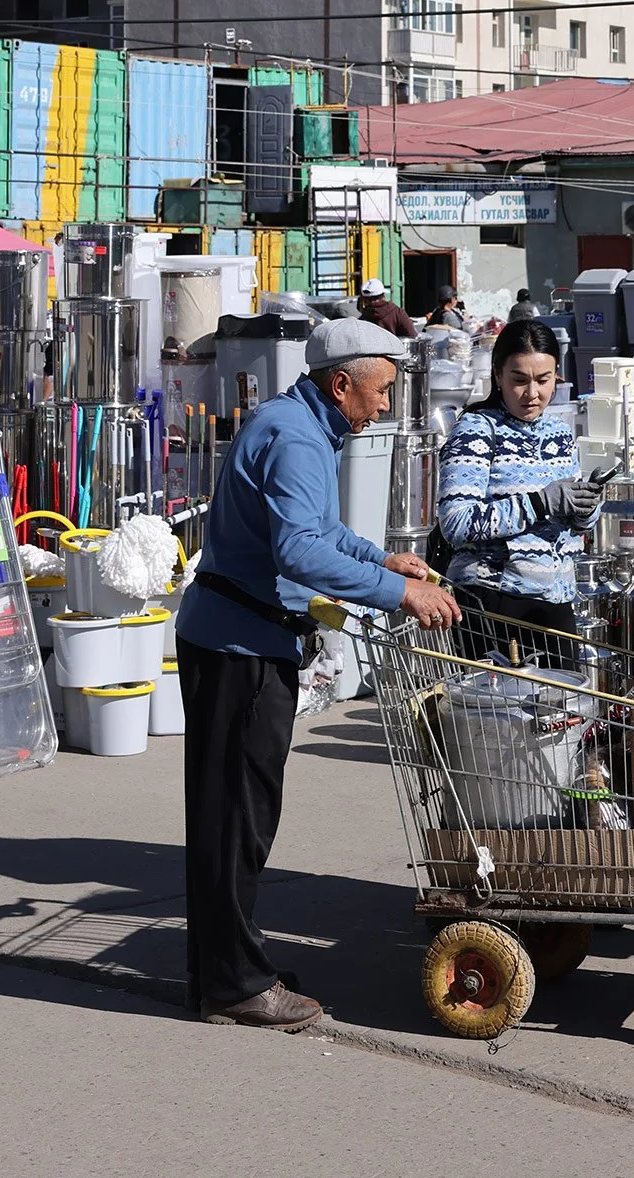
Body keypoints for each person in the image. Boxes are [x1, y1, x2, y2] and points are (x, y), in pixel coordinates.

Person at [174, 319, 459, 1033]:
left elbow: (317, 530)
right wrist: (400, 594)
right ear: (342, 384)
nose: (387, 404)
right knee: (236, 821)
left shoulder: (298, 424)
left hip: (239, 641)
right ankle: (235, 983)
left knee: (231, 818)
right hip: (239, 649)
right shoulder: (299, 437)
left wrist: (378, 560)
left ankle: (225, 971)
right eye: (383, 390)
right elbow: (299, 551)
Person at [436, 318, 606, 661]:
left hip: (554, 598)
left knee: (563, 707)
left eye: (544, 380)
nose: (533, 394)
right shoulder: (476, 430)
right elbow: (455, 523)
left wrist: (586, 508)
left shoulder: (559, 433)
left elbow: (568, 520)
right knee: (498, 711)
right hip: (493, 599)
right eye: (519, 380)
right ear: (497, 376)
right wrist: (540, 503)